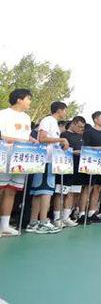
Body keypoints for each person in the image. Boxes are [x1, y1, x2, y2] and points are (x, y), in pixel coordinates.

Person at [25, 101, 69, 234]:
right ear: (59, 110)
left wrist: (60, 144)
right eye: (65, 110)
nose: (65, 113)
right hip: (45, 160)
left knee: (40, 191)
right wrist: (61, 140)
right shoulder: (48, 120)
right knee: (45, 191)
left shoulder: (53, 123)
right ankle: (43, 222)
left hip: (51, 160)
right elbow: (42, 138)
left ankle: (33, 222)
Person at [0, 89, 33, 237]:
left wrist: (32, 140)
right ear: (19, 99)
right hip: (5, 156)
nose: (30, 102)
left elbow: (26, 136)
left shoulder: (26, 117)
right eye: (28, 99)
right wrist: (18, 140)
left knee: (11, 190)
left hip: (21, 158)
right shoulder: (3, 114)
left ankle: (5, 225)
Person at [81, 111, 101, 223]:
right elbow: (84, 148)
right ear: (95, 119)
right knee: (88, 188)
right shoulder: (88, 132)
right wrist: (99, 148)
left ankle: (92, 212)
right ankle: (81, 213)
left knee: (98, 188)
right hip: (90, 164)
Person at [57, 116, 86, 225]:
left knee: (73, 192)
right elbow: (59, 150)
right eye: (79, 126)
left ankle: (66, 216)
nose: (80, 129)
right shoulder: (64, 135)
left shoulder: (81, 137)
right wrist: (74, 152)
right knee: (61, 192)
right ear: (73, 123)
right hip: (66, 166)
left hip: (78, 167)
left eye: (82, 128)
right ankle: (57, 217)